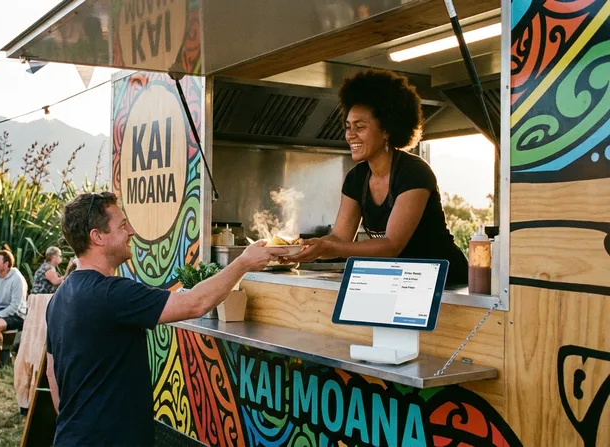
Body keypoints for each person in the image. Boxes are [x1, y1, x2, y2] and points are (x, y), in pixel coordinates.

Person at [45, 192, 281, 446]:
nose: (132, 231)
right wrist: (243, 262)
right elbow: (194, 303)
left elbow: (52, 374)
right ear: (97, 236)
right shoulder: (110, 294)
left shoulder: (60, 296)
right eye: (123, 225)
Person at [284, 69, 468, 285]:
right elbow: (340, 238)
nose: (350, 135)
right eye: (348, 127)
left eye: (360, 127)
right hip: (404, 281)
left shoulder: (414, 172)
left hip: (447, 283)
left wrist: (330, 247)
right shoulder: (356, 179)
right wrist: (311, 247)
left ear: (387, 129)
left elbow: (391, 245)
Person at [0, 247, 28, 360]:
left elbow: (15, 306)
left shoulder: (17, 279)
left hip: (16, 315)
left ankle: (2, 353)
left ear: (6, 264)